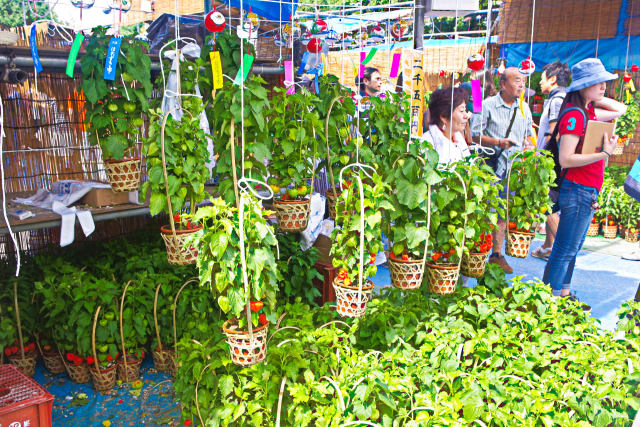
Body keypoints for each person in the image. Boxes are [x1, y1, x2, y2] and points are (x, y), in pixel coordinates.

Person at [543, 58, 626, 303]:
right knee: (564, 249)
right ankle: (547, 300)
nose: (603, 86)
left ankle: (562, 296)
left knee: (571, 249)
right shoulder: (575, 115)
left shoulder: (586, 111)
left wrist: (593, 94)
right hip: (577, 189)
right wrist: (604, 154)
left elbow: (620, 109)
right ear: (582, 86)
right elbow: (567, 159)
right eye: (596, 82)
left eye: (603, 82)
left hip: (585, 190)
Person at [470, 67, 534, 274]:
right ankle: (475, 250)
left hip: (512, 168)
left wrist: (529, 147)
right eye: (517, 81)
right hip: (489, 166)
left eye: (523, 81)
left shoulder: (524, 107)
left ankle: (496, 254)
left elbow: (527, 135)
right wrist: (498, 141)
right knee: (481, 209)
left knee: (502, 212)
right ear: (503, 84)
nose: (521, 85)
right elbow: (473, 135)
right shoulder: (487, 105)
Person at [532, 61, 571, 260]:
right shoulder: (561, 98)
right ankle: (548, 246)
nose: (540, 83)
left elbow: (554, 133)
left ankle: (564, 251)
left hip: (550, 161)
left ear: (553, 79)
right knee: (550, 205)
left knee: (547, 205)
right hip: (555, 161)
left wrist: (542, 159)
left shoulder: (557, 100)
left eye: (542, 78)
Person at [422, 87, 471, 165]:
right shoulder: (427, 144)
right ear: (444, 117)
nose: (466, 116)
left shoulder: (457, 137)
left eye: (465, 110)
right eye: (461, 111)